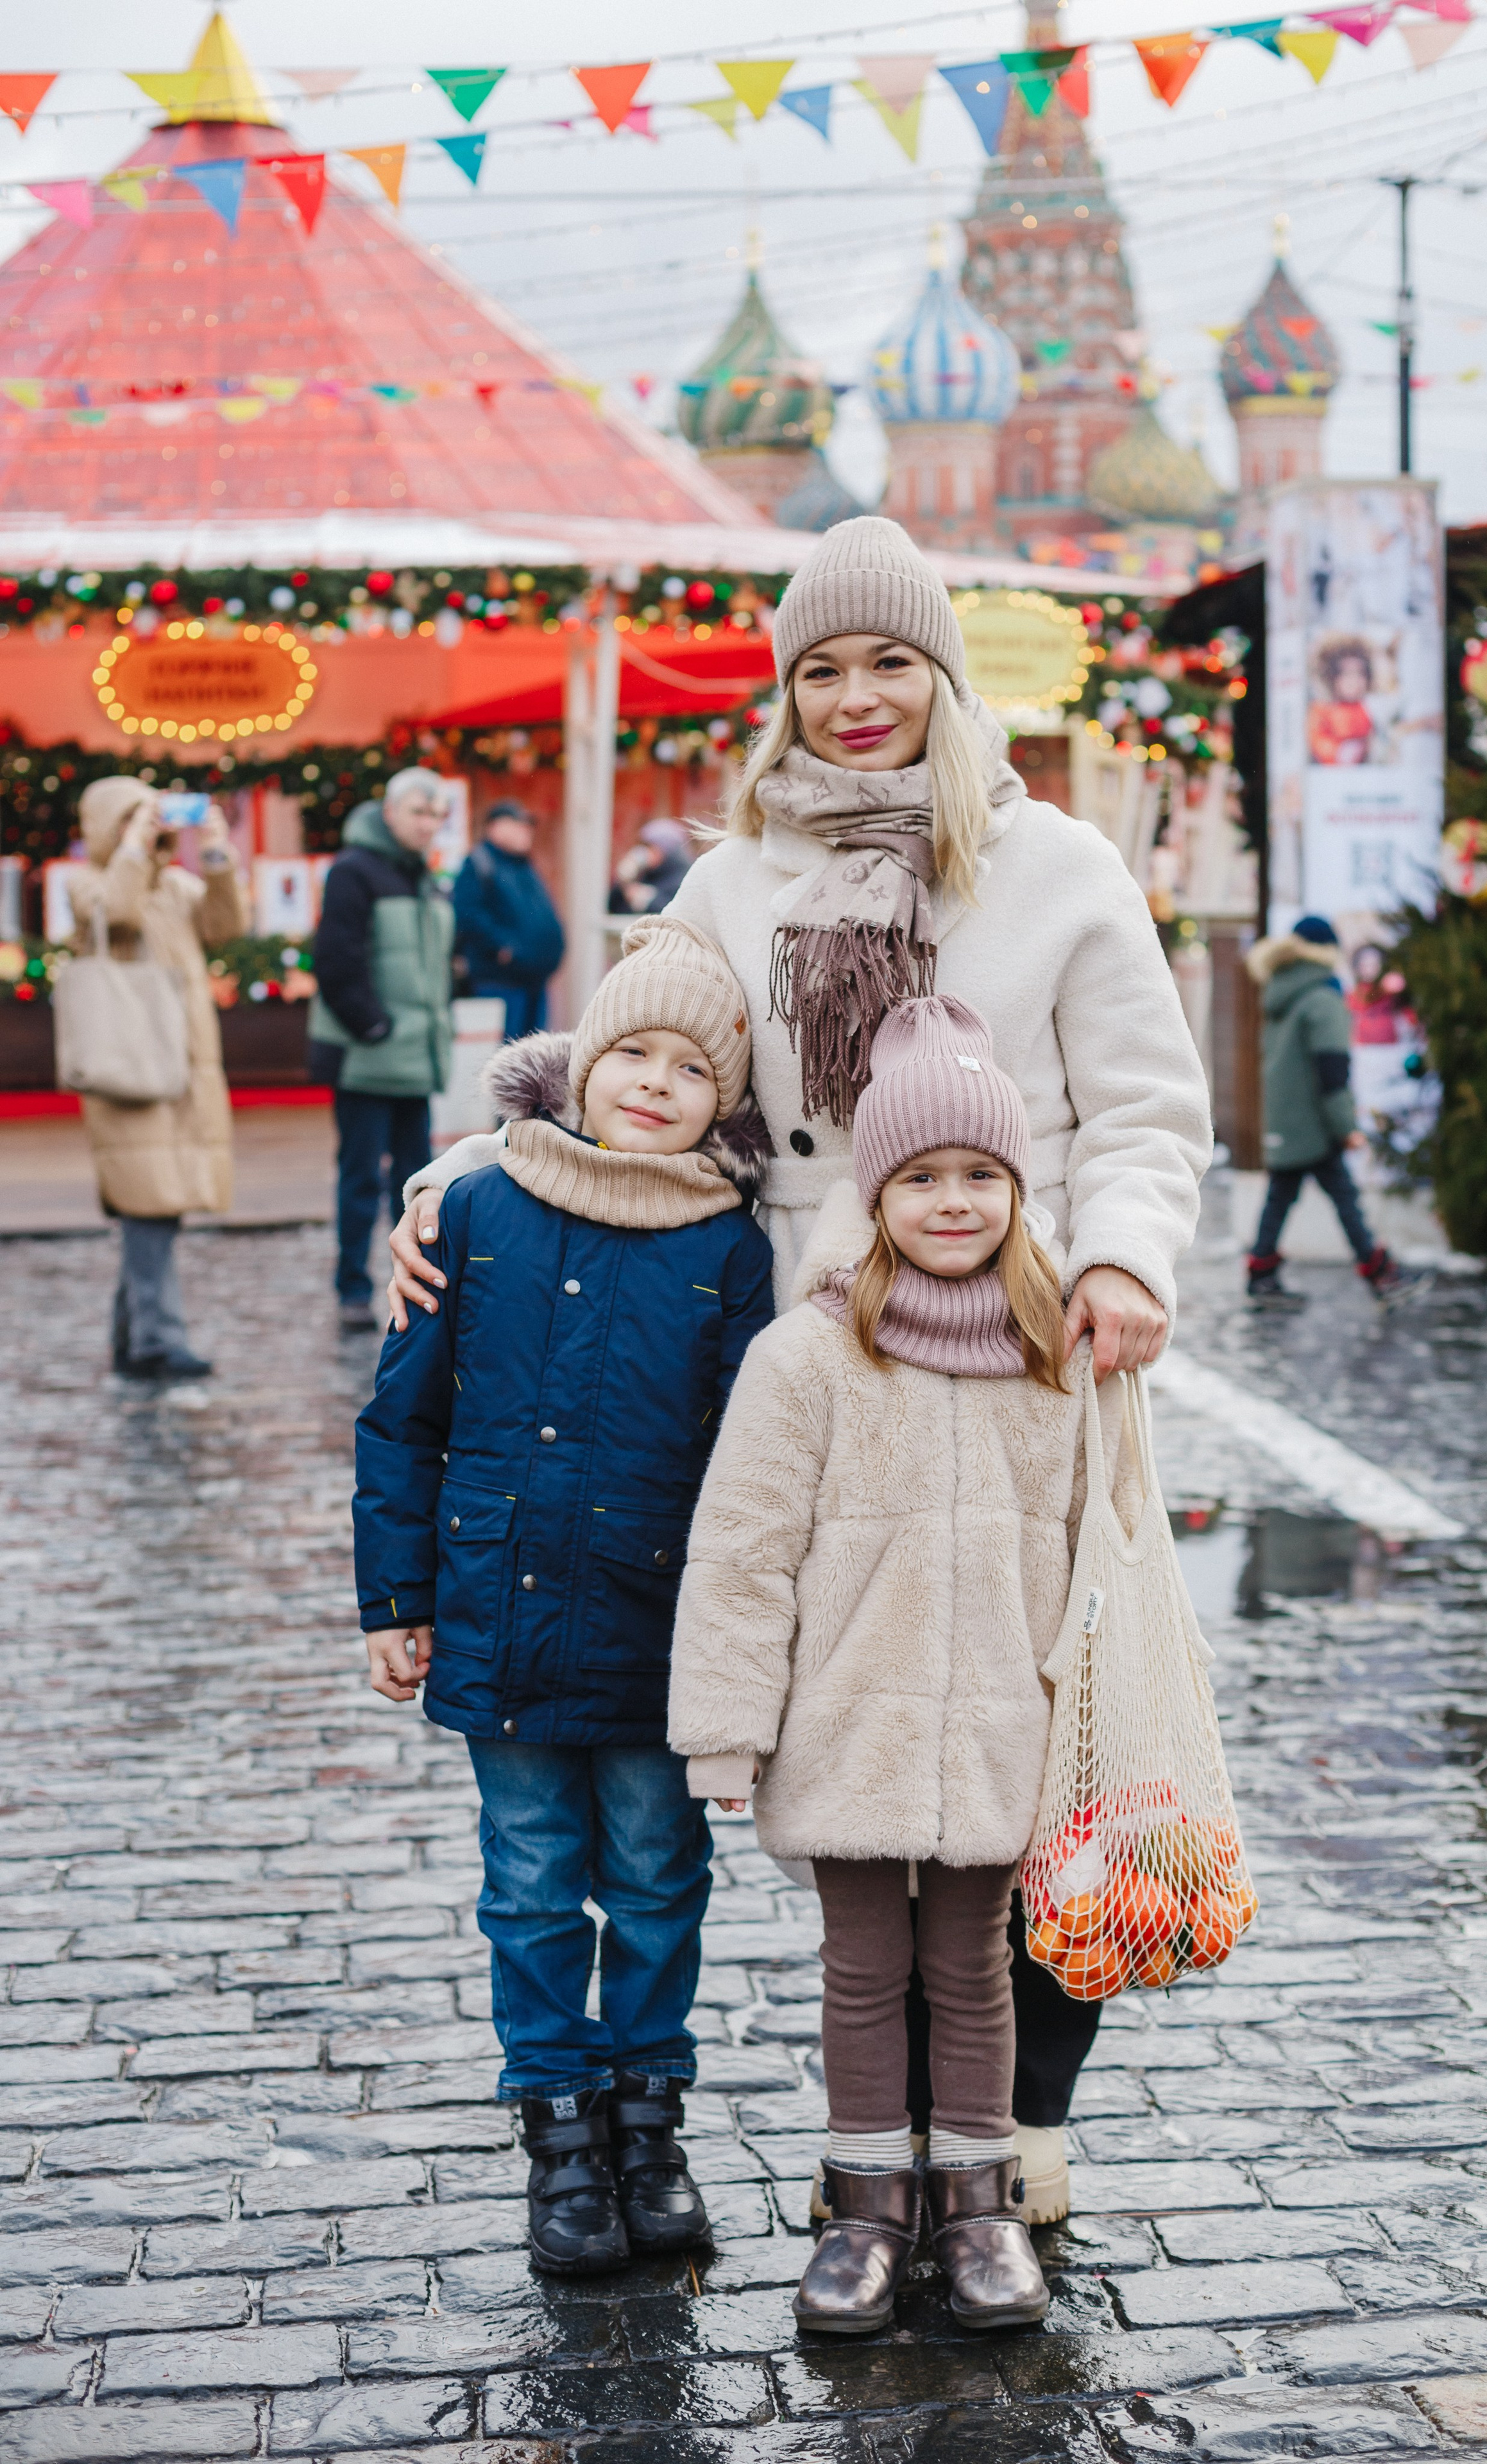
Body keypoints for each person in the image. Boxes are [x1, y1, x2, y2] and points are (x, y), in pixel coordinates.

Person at [384, 515, 1213, 2225]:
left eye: (888, 662)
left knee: (1034, 1733)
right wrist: (471, 1166)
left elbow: (1146, 1107)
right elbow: (640, 1045)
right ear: (784, 690)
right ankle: (874, 2128)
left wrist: (1124, 1258)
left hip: (1029, 1348)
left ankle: (1017, 2123)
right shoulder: (736, 875)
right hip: (798, 1367)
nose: (855, 699)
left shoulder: (1052, 867)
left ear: (943, 672)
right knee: (854, 1741)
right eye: (821, 669)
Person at [352, 918, 774, 2279]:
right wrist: (392, 1600)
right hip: (504, 1617)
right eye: (630, 1053)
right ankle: (558, 2134)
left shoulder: (730, 1246)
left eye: (688, 1070)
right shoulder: (477, 1210)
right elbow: (401, 1425)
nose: (653, 1084)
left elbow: (755, 1463)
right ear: (581, 1065)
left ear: (726, 1102)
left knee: (656, 1881)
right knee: (531, 1885)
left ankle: (648, 2123)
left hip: (659, 1635)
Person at [670, 997, 1090, 2334]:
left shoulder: (1052, 1361)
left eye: (979, 1177)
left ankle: (978, 2202)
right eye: (921, 1179)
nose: (953, 1202)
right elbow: (740, 1552)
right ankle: (863, 2205)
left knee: (972, 1963)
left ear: (1014, 1192)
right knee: (859, 1964)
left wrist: (1082, 1730)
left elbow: (1097, 1562)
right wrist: (725, 1735)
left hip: (994, 1731)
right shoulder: (806, 1357)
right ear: (876, 1195)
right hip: (844, 1722)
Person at [68, 777, 248, 1380]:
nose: (148, 829)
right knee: (146, 1204)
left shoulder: (175, 886)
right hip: (129, 1068)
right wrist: (133, 851)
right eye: (130, 819)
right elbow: (114, 913)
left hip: (181, 1069)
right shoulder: (88, 884)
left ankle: (134, 1335)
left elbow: (227, 925)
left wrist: (217, 852)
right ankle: (157, 1339)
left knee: (160, 1204)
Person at [308, 767, 454, 1330]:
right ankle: (351, 1287)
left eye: (436, 815)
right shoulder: (354, 870)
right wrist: (373, 1027)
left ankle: (414, 1281)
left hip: (414, 1057)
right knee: (362, 1176)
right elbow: (337, 958)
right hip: (370, 1057)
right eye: (419, 812)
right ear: (390, 813)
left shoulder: (424, 877)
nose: (428, 825)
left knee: (417, 1180)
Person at [1245, 914, 1411, 1306]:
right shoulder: (1322, 998)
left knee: (1283, 1198)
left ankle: (1262, 1274)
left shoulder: (1280, 994)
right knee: (1342, 1197)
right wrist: (1345, 1126)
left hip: (1289, 1121)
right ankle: (1380, 1273)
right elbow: (1332, 1070)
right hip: (1317, 1124)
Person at [453, 800, 565, 1041]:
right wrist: (504, 949)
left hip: (534, 981)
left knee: (532, 1056)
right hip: (501, 982)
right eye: (516, 824)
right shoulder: (480, 864)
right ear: (494, 827)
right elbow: (468, 914)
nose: (525, 831)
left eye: (526, 826)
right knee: (505, 1057)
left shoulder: (523, 865)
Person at [609, 818, 694, 919]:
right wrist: (623, 881)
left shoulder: (686, 878)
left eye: (650, 847)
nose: (646, 853)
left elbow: (680, 915)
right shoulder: (646, 874)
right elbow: (612, 907)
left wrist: (649, 900)